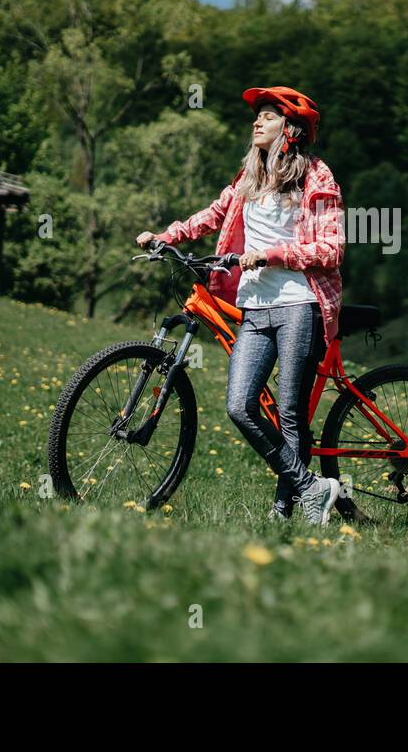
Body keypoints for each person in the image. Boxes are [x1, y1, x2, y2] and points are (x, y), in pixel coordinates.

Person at [136, 86, 346, 525]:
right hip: (255, 307)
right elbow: (213, 215)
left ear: (290, 129)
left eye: (267, 117)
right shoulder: (248, 179)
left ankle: (285, 510)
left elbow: (331, 248)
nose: (256, 122)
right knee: (240, 406)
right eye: (256, 116)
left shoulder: (315, 176)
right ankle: (313, 488)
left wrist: (271, 255)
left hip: (298, 305)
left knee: (290, 413)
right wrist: (166, 237)